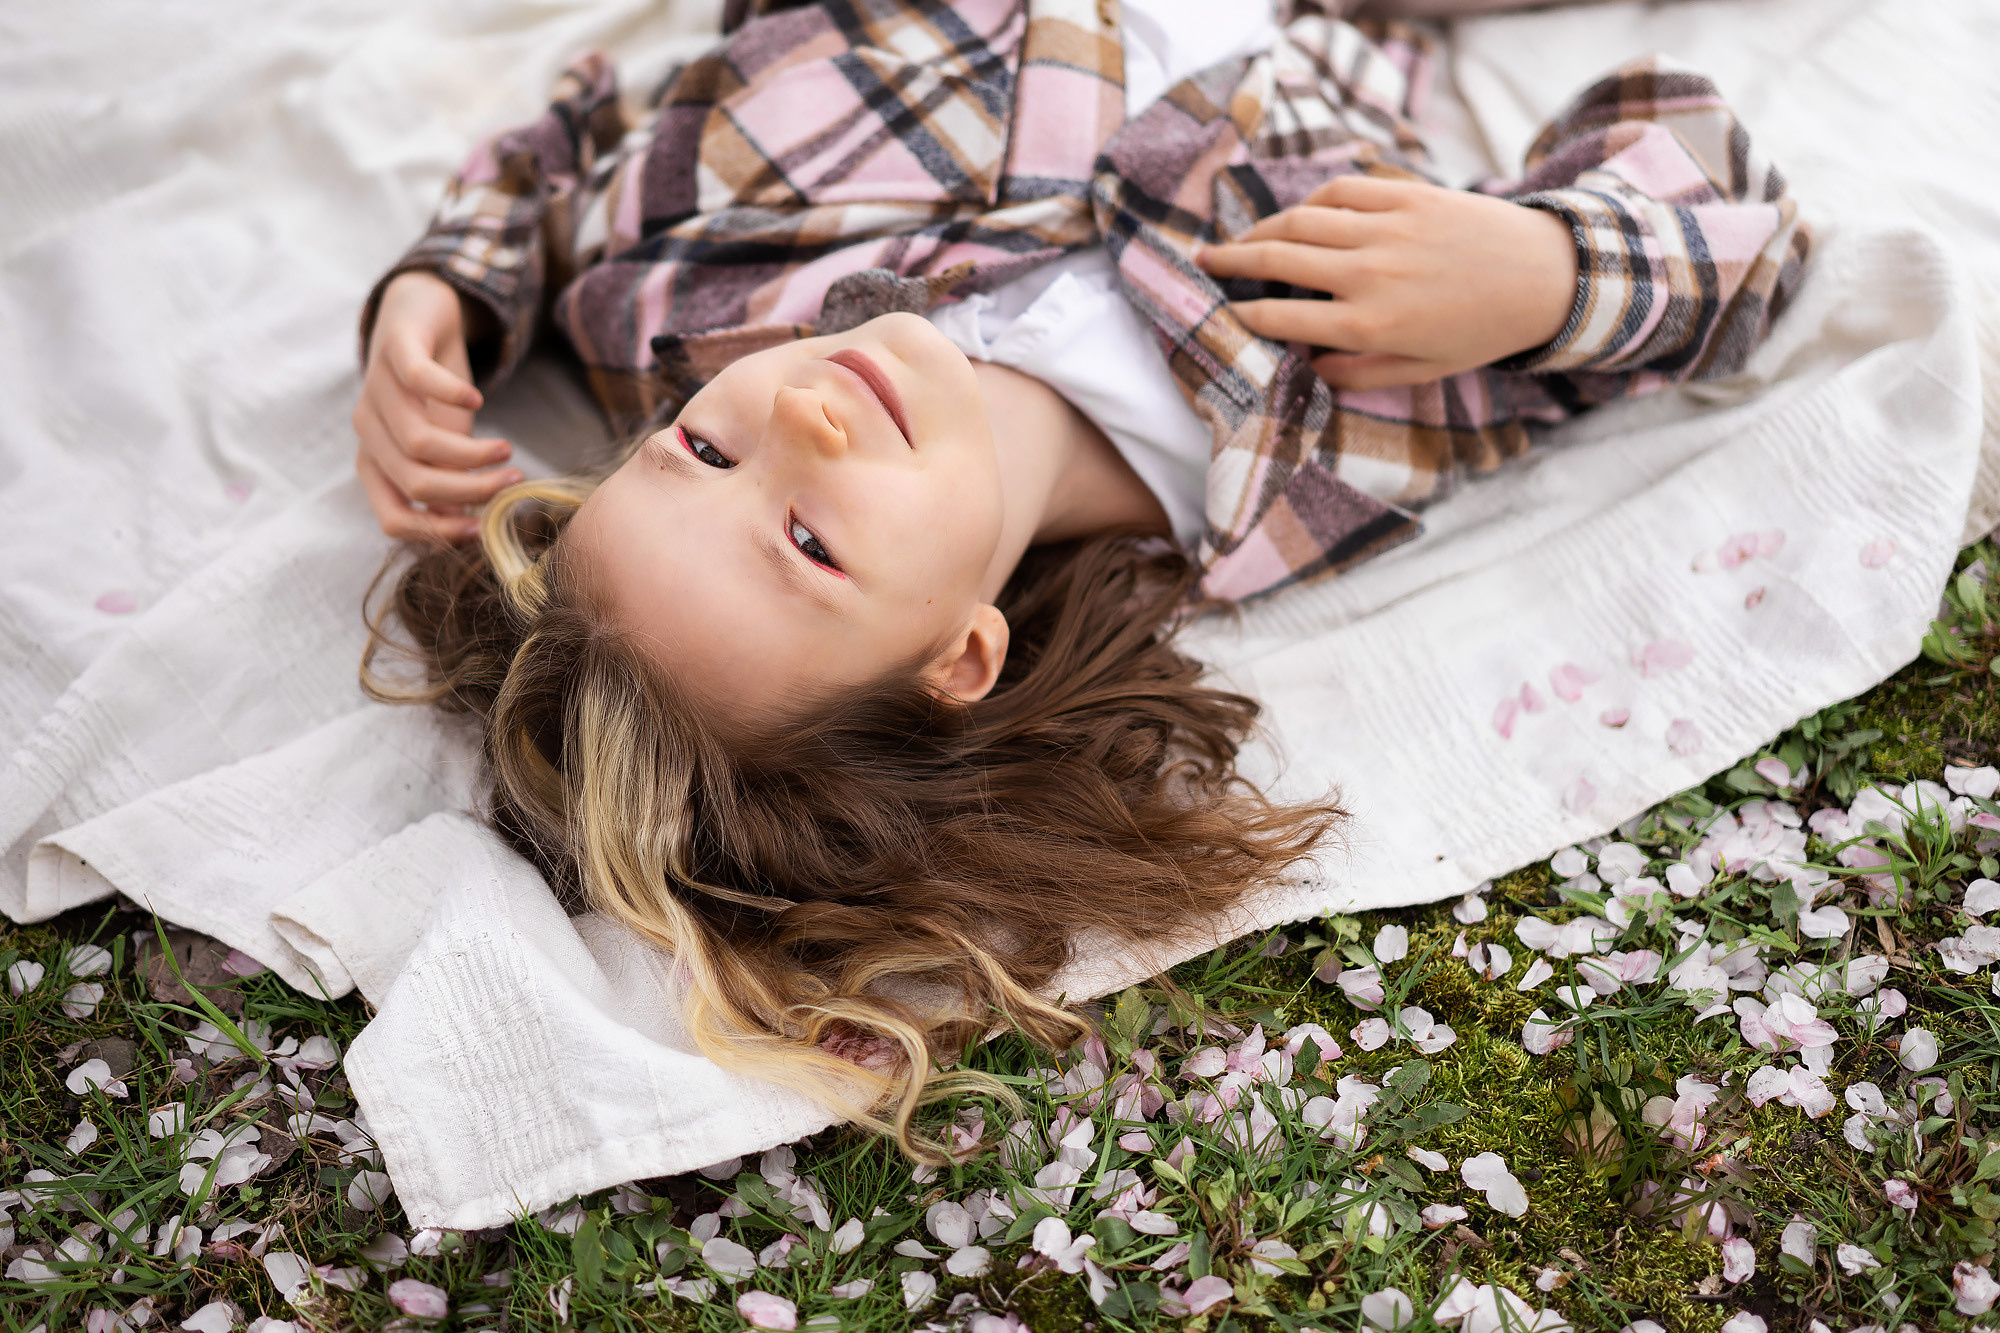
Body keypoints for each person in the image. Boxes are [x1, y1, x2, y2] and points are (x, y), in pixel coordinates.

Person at [354, 0, 1807, 1154]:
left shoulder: (683, 289)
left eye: (704, 448)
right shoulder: (1313, 448)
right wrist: (1548, 269)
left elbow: (588, 129)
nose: (803, 417)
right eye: (811, 537)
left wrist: (442, 287)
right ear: (958, 659)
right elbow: (1732, 222)